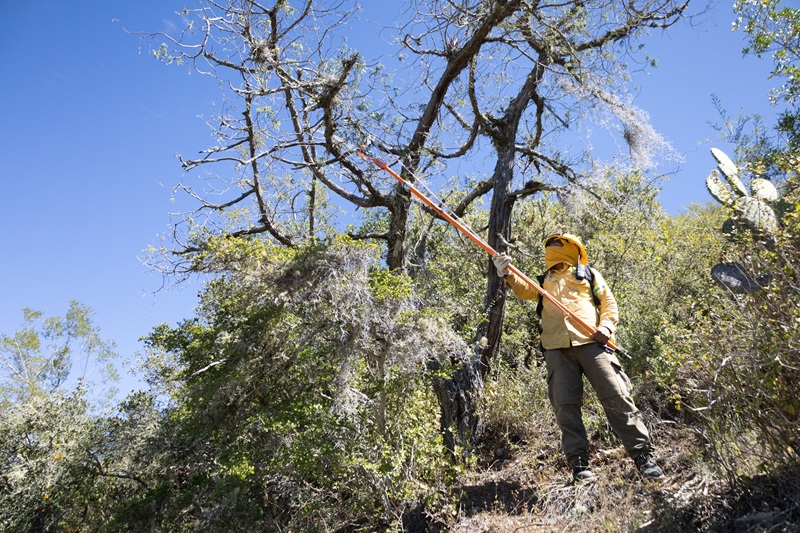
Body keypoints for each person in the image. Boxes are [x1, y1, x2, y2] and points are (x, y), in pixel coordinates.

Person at [492, 232, 664, 482]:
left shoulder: (589, 274)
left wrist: (606, 328)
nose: (553, 247)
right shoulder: (543, 282)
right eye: (550, 244)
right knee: (566, 407)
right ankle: (580, 465)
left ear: (573, 247)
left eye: (558, 243)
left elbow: (609, 303)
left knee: (617, 396)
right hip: (556, 350)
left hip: (593, 344)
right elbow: (523, 291)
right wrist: (506, 272)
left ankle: (643, 457)